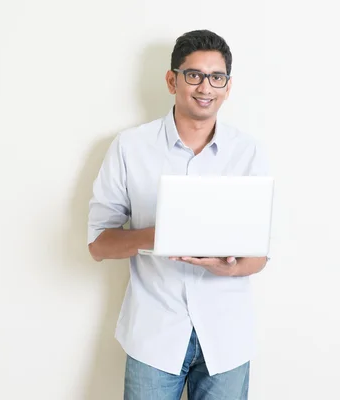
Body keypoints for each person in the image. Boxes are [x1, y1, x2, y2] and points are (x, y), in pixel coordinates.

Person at [86, 30, 270, 400]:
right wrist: (156, 235)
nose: (206, 87)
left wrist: (228, 266)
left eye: (217, 77)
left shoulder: (248, 152)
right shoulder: (130, 147)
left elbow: (260, 254)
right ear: (172, 80)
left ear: (228, 87)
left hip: (226, 337)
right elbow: (97, 244)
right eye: (194, 75)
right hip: (154, 334)